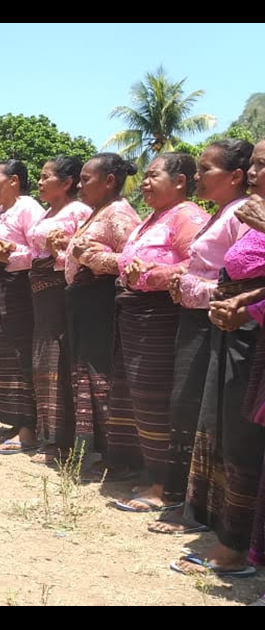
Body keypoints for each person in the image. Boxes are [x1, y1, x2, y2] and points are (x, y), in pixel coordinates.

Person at [170, 139, 265, 577]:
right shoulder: (246, 212)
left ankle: (236, 548)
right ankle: (233, 540)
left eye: (262, 165)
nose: (254, 174)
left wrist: (245, 307)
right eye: (255, 164)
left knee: (245, 439)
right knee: (230, 432)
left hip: (250, 335)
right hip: (241, 331)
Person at [151, 139, 252, 534]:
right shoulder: (219, 213)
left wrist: (190, 285)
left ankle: (204, 512)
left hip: (223, 324)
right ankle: (189, 501)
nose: (198, 176)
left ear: (235, 176)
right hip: (197, 321)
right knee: (188, 407)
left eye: (206, 169)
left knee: (206, 414)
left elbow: (238, 281)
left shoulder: (242, 215)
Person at [111, 153, 206, 512]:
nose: (145, 183)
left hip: (162, 317)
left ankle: (166, 487)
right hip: (136, 315)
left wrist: (151, 273)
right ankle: (154, 476)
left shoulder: (188, 216)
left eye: (153, 176)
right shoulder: (152, 218)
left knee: (156, 397)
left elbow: (196, 264)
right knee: (141, 396)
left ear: (179, 181)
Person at [59, 153, 141, 481]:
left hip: (102, 304)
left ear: (109, 181)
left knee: (102, 380)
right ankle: (95, 453)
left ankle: (116, 458)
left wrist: (92, 257)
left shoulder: (119, 212)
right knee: (86, 379)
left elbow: (132, 261)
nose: (80, 185)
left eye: (86, 179)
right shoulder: (97, 213)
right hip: (84, 304)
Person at [0, 160, 45, 453]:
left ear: (14, 180)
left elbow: (40, 253)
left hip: (18, 292)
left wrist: (11, 256)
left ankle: (28, 427)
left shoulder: (29, 209)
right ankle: (11, 420)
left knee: (19, 354)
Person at [26, 157, 91, 465]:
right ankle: (48, 435)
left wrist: (57, 253)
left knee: (60, 361)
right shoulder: (45, 214)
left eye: (45, 176)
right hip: (40, 295)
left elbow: (81, 257)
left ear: (66, 183)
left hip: (61, 293)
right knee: (43, 362)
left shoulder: (79, 212)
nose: (39, 182)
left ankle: (63, 441)